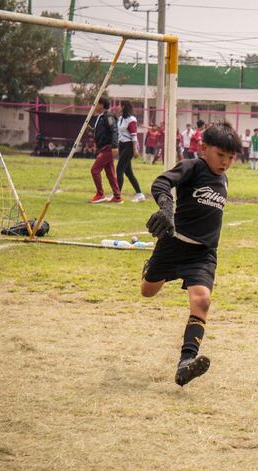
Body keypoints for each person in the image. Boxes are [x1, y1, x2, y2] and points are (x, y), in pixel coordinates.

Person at [141, 123, 241, 387]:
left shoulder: (224, 179)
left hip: (203, 253)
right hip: (173, 245)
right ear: (203, 148)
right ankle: (150, 267)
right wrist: (166, 209)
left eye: (231, 158)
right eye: (221, 155)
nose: (226, 163)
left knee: (202, 301)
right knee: (147, 291)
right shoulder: (192, 167)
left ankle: (186, 362)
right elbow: (161, 182)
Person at [88, 96, 121, 204]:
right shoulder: (101, 117)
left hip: (108, 148)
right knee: (110, 173)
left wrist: (115, 146)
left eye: (96, 104)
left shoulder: (108, 116)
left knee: (94, 170)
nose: (94, 106)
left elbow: (114, 130)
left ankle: (100, 194)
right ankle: (117, 197)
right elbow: (103, 131)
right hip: (102, 147)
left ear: (101, 105)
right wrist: (93, 131)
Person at [116, 101, 145, 202]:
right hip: (122, 145)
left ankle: (117, 195)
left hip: (129, 146)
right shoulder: (120, 118)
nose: (117, 107)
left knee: (119, 169)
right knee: (128, 172)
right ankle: (140, 194)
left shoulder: (131, 119)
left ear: (123, 107)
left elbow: (134, 135)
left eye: (119, 105)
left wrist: (135, 149)